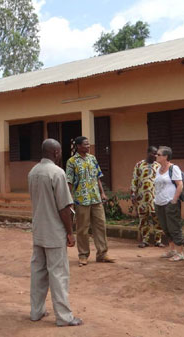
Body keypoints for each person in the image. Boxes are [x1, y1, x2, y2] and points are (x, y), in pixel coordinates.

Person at [28, 138, 83, 327]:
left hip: (38, 230)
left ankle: (36, 311)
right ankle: (64, 317)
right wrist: (70, 233)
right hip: (54, 232)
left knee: (38, 273)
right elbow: (64, 208)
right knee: (58, 274)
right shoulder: (57, 173)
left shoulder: (33, 172)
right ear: (56, 153)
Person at [66, 136, 116, 267]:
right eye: (85, 144)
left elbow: (97, 177)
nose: (88, 146)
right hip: (81, 199)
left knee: (100, 225)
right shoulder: (72, 162)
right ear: (78, 146)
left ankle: (102, 254)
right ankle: (83, 255)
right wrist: (69, 198)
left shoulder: (92, 158)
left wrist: (102, 193)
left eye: (88, 144)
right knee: (82, 229)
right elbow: (69, 181)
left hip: (95, 198)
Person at [153, 146, 184, 261]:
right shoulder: (158, 169)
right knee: (165, 227)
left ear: (166, 156)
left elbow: (180, 185)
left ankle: (180, 252)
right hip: (159, 203)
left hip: (170, 202)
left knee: (174, 227)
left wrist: (174, 200)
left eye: (159, 154)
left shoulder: (174, 168)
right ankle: (172, 250)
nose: (156, 156)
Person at [130, 146, 164, 248]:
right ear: (148, 153)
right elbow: (134, 179)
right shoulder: (139, 165)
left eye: (157, 154)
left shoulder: (158, 166)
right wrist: (133, 193)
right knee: (143, 219)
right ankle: (145, 240)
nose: (155, 155)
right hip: (142, 198)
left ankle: (158, 240)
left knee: (157, 219)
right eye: (153, 153)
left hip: (155, 197)